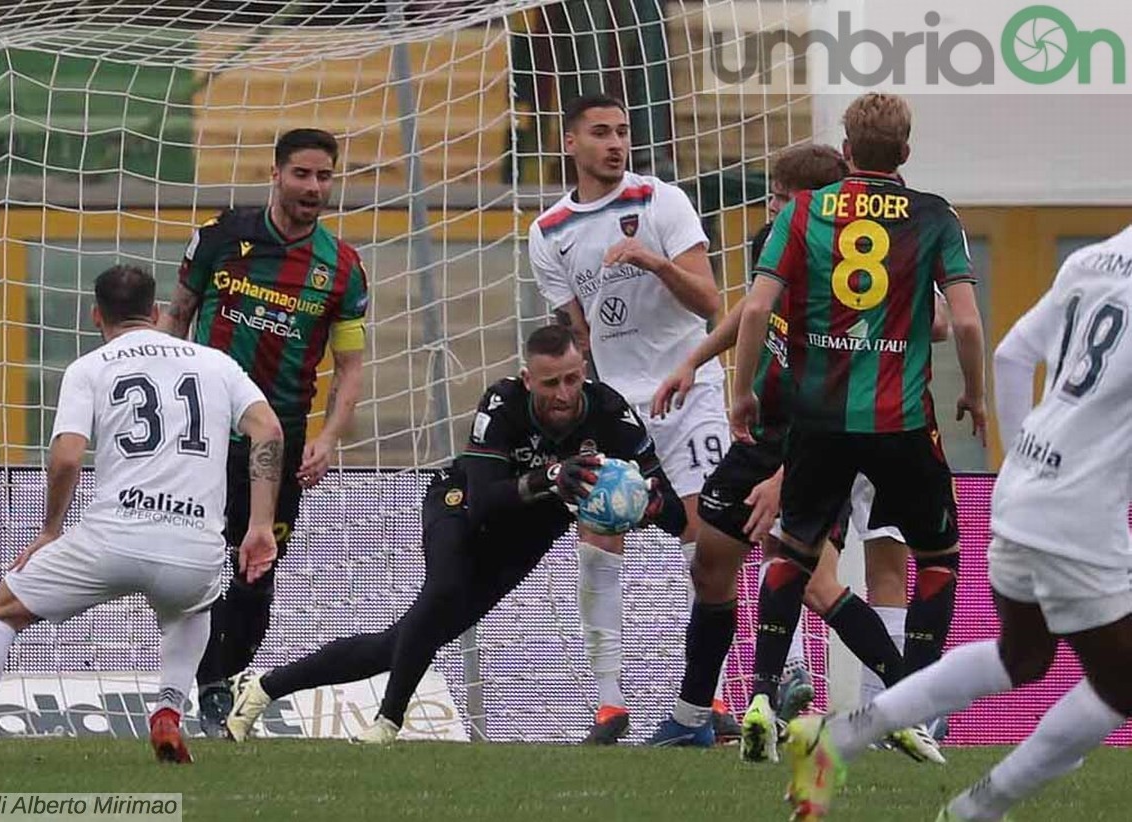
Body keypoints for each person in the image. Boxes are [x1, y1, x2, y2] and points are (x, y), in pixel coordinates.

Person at [783, 227, 1132, 821]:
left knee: (1021, 656)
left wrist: (1022, 462)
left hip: (1022, 487)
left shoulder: (1096, 257)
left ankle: (839, 739)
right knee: (1120, 682)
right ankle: (978, 809)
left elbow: (1011, 354)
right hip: (1077, 511)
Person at [222, 325, 687, 744]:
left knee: (400, 643)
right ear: (529, 380)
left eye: (571, 380)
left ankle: (264, 688)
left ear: (582, 371)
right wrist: (549, 478)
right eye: (550, 384)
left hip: (524, 541)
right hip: (458, 508)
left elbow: (670, 511)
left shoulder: (611, 414)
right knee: (441, 593)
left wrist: (646, 505)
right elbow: (484, 499)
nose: (563, 394)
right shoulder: (503, 403)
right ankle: (388, 721)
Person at [0, 265, 282, 765]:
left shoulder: (90, 367)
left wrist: (52, 529)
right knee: (192, 608)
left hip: (112, 538)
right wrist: (260, 525)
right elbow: (269, 432)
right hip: (193, 546)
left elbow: (68, 457)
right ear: (157, 312)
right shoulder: (217, 364)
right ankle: (167, 711)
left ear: (96, 314)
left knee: (2, 611)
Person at [730, 92, 987, 770]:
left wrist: (740, 394)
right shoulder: (934, 214)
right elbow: (963, 321)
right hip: (901, 419)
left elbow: (757, 308)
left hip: (818, 419)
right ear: (904, 153)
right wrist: (979, 399)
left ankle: (759, 695)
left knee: (792, 547)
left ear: (845, 151)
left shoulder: (805, 211)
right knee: (937, 558)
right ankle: (916, 707)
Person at [645, 145, 915, 751]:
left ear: (807, 200)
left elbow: (845, 396)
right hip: (768, 432)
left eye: (775, 194)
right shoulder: (783, 240)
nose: (767, 205)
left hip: (822, 442)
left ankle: (908, 700)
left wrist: (788, 477)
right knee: (711, 560)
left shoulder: (853, 282)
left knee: (817, 583)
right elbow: (751, 310)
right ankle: (693, 717)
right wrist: (693, 359)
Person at [529, 93, 728, 743]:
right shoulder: (549, 230)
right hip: (618, 404)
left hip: (689, 388)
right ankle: (610, 705)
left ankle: (710, 701)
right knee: (598, 538)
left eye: (623, 132)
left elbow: (710, 300)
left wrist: (652, 260)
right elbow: (577, 332)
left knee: (708, 545)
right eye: (601, 133)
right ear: (570, 144)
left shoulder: (661, 202)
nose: (616, 143)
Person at [159, 128, 369, 737]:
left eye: (324, 176)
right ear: (275, 174)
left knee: (255, 574)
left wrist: (329, 438)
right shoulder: (221, 237)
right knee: (193, 565)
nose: (313, 187)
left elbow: (350, 366)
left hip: (279, 444)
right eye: (302, 174)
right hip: (205, 432)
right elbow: (178, 315)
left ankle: (221, 680)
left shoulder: (342, 270)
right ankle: (199, 684)